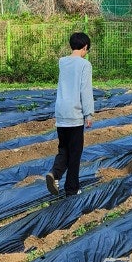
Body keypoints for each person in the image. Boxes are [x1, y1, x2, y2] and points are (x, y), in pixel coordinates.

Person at [46, 31, 94, 198]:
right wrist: (89, 114)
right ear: (85, 47)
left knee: (63, 149)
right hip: (75, 113)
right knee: (75, 153)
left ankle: (55, 173)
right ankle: (72, 188)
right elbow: (85, 90)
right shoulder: (84, 65)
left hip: (61, 112)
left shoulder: (62, 62)